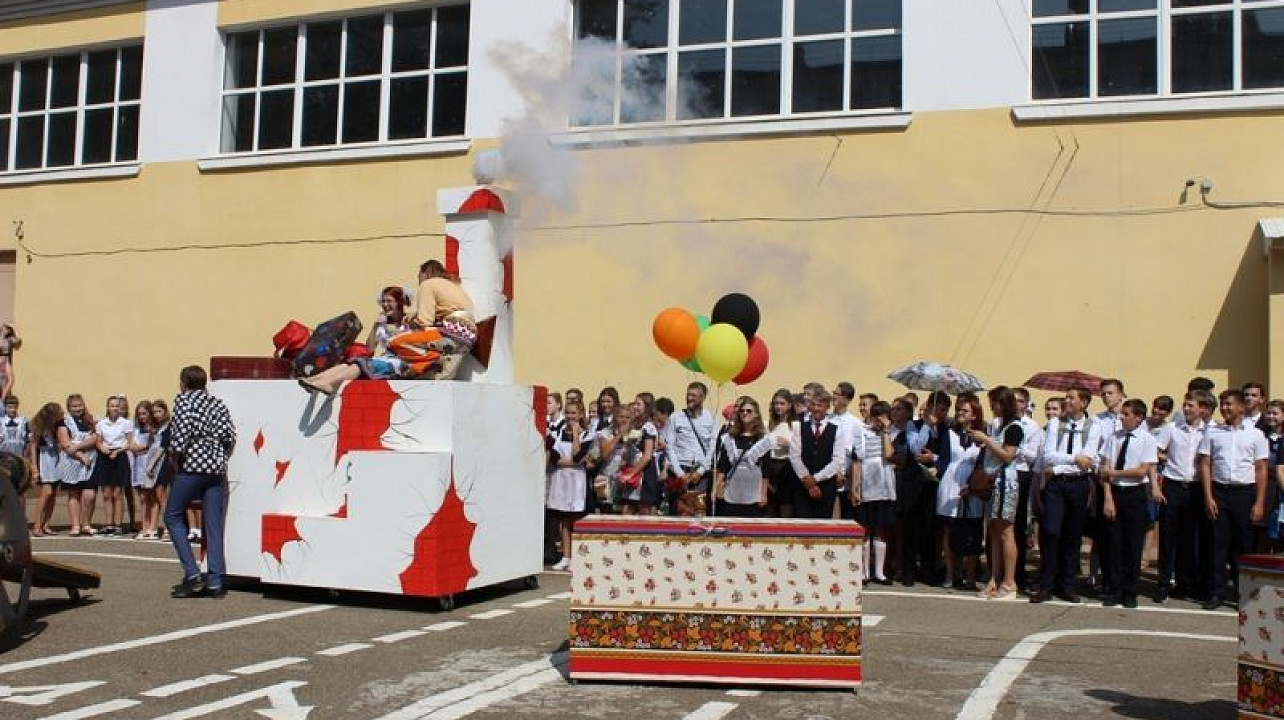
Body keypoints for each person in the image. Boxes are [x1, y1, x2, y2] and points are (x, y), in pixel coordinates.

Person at [166, 365, 236, 599]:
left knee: (173, 516)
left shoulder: (185, 400)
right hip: (216, 466)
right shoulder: (217, 403)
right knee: (213, 525)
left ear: (183, 382)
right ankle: (216, 581)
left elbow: (181, 434)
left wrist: (175, 457)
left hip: (193, 464)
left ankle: (193, 574)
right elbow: (230, 435)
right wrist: (219, 455)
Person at [1199, 389, 1269, 610]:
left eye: (1229, 404)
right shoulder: (1213, 433)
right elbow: (1205, 464)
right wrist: (1209, 497)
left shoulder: (1256, 435)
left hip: (1244, 494)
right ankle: (1216, 592)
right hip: (1220, 492)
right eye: (1222, 404)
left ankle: (1243, 593)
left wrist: (1259, 502)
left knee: (1243, 545)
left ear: (1241, 406)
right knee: (1218, 544)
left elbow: (1261, 469)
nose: (1225, 408)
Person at [1030, 386, 1102, 604]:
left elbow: (1089, 460)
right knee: (1051, 532)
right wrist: (1073, 460)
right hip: (1056, 486)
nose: (1067, 401)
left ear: (1084, 403)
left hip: (1079, 485)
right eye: (1066, 397)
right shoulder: (1054, 424)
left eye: (1072, 398)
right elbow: (1050, 456)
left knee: (1072, 535)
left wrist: (1063, 466)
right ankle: (1046, 584)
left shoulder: (1093, 426)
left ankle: (1067, 585)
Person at [1097, 398, 1160, 609]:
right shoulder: (1113, 438)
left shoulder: (1147, 439)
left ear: (1139, 417)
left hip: (1135, 494)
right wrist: (1108, 497)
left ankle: (1130, 590)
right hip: (1115, 492)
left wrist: (1114, 472)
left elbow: (1142, 470)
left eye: (1126, 415)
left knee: (1133, 544)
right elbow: (1103, 469)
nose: (1122, 418)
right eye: (1121, 415)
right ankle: (1114, 589)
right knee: (1114, 543)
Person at [1155, 391, 1213, 603]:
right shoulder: (1171, 428)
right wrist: (1167, 458)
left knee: (1191, 538)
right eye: (1185, 405)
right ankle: (1163, 583)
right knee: (1168, 536)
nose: (1186, 409)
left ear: (1203, 409)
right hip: (1173, 485)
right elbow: (1156, 452)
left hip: (1196, 487)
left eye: (1191, 405)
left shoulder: (1210, 431)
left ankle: (1185, 583)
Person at [971, 386, 1024, 600]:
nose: (992, 406)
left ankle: (1009, 582)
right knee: (993, 531)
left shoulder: (1014, 427)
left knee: (1005, 532)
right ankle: (994, 578)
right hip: (994, 482)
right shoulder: (999, 426)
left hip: (1006, 483)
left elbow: (1008, 456)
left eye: (995, 402)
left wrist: (986, 440)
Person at [936, 394, 985, 591]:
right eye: (958, 410)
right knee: (949, 530)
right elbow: (944, 460)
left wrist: (973, 486)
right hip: (951, 484)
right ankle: (950, 573)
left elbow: (983, 462)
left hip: (973, 484)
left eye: (964, 411)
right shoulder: (949, 434)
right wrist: (933, 468)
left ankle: (971, 576)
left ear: (974, 415)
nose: (959, 414)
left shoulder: (982, 435)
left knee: (972, 531)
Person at [788, 389, 847, 519]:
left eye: (819, 405)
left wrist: (816, 479)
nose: (816, 409)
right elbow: (794, 456)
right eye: (813, 405)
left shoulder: (837, 429)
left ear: (827, 407)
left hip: (826, 487)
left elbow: (837, 460)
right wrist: (807, 479)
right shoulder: (799, 427)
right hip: (802, 485)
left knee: (823, 525)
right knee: (802, 524)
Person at [547, 399, 591, 571]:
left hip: (577, 483)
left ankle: (577, 556)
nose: (570, 416)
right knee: (564, 521)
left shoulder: (587, 435)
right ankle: (566, 556)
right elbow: (554, 459)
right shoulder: (560, 434)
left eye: (574, 413)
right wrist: (574, 463)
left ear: (581, 414)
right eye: (568, 413)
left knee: (576, 520)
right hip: (562, 481)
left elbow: (578, 455)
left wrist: (575, 434)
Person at [855, 401, 896, 583]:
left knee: (881, 529)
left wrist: (886, 432)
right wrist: (855, 487)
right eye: (877, 416)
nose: (880, 420)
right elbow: (857, 461)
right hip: (866, 483)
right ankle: (864, 572)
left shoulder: (891, 433)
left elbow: (888, 454)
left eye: (883, 416)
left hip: (885, 485)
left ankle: (879, 571)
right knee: (865, 528)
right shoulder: (862, 432)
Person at [714, 397, 773, 517]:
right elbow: (723, 467)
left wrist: (763, 494)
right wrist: (716, 488)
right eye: (742, 411)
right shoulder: (729, 438)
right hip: (732, 491)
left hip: (753, 492)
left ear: (756, 414)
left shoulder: (763, 440)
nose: (745, 413)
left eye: (749, 411)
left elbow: (766, 470)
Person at [1010, 387, 1043, 593]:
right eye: (1013, 401)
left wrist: (1013, 448)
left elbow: (1032, 456)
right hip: (1001, 475)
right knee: (1000, 526)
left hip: (1021, 474)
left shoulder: (1032, 426)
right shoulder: (998, 422)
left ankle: (1018, 572)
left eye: (1021, 401)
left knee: (1019, 525)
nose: (1016, 405)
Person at [669, 382, 716, 515]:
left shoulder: (711, 418)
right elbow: (669, 447)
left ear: (703, 397)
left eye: (694, 395)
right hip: (680, 472)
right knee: (680, 512)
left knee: (699, 512)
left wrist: (700, 471)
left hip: (701, 475)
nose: (690, 398)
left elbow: (713, 447)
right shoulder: (676, 417)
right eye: (688, 394)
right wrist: (679, 473)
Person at [93, 395, 134, 536]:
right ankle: (108, 523)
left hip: (119, 455)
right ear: (108, 407)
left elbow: (129, 442)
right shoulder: (101, 424)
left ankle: (117, 524)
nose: (114, 408)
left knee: (117, 493)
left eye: (117, 406)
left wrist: (118, 451)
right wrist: (101, 448)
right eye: (112, 405)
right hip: (105, 456)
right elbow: (98, 441)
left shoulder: (126, 423)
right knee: (106, 493)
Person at [28, 402, 64, 536]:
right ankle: (37, 525)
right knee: (46, 492)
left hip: (56, 459)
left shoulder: (58, 426)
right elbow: (33, 447)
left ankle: (46, 524)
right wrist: (34, 466)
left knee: (53, 494)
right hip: (44, 460)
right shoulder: (39, 427)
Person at [764, 388, 800, 518]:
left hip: (787, 468)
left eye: (782, 403)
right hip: (770, 467)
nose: (778, 406)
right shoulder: (767, 425)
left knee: (786, 507)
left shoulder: (796, 426)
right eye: (776, 403)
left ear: (789, 405)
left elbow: (802, 451)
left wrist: (789, 444)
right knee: (770, 508)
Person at [129, 400, 160, 539]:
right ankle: (144, 526)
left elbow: (151, 445)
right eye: (139, 414)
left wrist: (140, 448)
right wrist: (137, 447)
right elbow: (132, 444)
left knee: (152, 496)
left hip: (150, 464)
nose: (142, 417)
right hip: (138, 464)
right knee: (142, 497)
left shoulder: (154, 429)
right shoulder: (136, 428)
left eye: (144, 413)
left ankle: (153, 527)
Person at [151, 399, 175, 541]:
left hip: (164, 463)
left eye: (159, 411)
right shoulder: (157, 427)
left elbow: (162, 448)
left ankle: (168, 528)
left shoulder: (168, 427)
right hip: (158, 463)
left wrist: (152, 465)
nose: (156, 415)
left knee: (163, 497)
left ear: (165, 412)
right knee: (159, 496)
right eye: (154, 412)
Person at [0, 324, 21, 402]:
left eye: (4, 328)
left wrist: (11, 335)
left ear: (8, 330)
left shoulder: (9, 339)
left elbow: (18, 341)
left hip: (4, 362)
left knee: (4, 383)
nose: (2, 329)